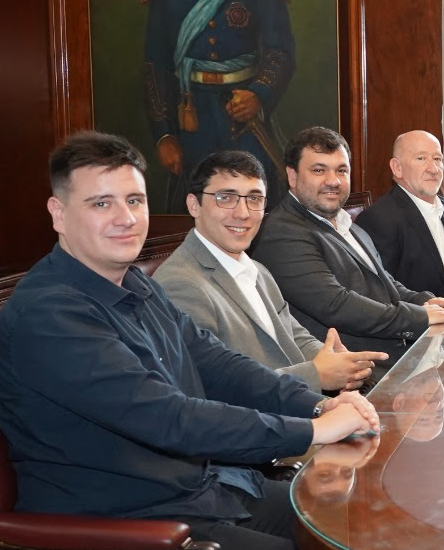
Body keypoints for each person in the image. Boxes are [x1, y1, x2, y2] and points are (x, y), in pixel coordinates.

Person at [0, 131, 410, 550]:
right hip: (129, 529)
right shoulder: (51, 314)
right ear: (58, 213)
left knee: (357, 535)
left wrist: (315, 405)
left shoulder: (135, 283)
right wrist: (308, 433)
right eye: (101, 203)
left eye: (133, 200)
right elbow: (169, 418)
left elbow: (217, 364)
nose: (125, 218)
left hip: (200, 491)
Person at [154, 150, 387, 392]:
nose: (243, 213)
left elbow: (294, 336)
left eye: (254, 198)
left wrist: (336, 360)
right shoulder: (179, 284)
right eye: (226, 198)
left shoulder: (257, 269)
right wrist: (317, 375)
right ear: (194, 205)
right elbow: (213, 385)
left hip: (304, 401)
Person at [251, 126, 444, 373]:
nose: (333, 181)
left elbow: (386, 283)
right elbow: (337, 305)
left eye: (341, 170)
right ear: (292, 176)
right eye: (319, 170)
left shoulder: (348, 225)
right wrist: (421, 316)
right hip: (353, 377)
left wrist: (424, 300)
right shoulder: (280, 233)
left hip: (395, 361)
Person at [142, 0, 294, 204]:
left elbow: (280, 52)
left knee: (257, 199)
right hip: (192, 117)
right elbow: (156, 64)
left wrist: (258, 94)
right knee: (196, 202)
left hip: (243, 118)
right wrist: (164, 134)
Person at [353, 130, 444, 300]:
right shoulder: (378, 219)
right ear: (397, 168)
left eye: (437, 159)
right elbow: (379, 292)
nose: (433, 169)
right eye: (421, 158)